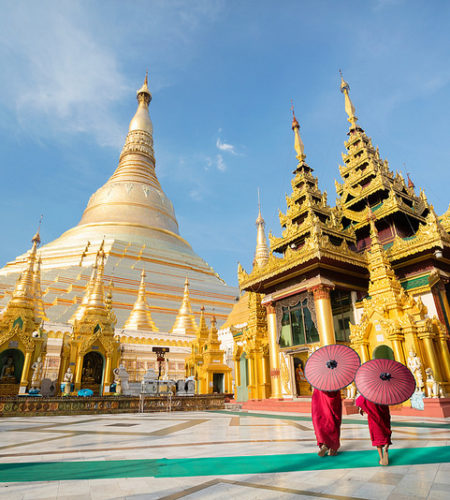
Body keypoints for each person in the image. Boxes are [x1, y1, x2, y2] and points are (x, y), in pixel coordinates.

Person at [356, 394, 392, 465]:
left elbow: (359, 401)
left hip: (374, 418)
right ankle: (386, 447)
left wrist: (362, 408)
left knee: (377, 437)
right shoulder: (384, 392)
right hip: (384, 415)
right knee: (386, 432)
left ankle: (381, 458)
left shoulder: (369, 392)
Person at [311, 389, 342, 456]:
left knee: (319, 424)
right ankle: (333, 449)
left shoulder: (318, 385)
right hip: (333, 393)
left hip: (319, 403)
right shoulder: (336, 385)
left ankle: (324, 444)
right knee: (333, 422)